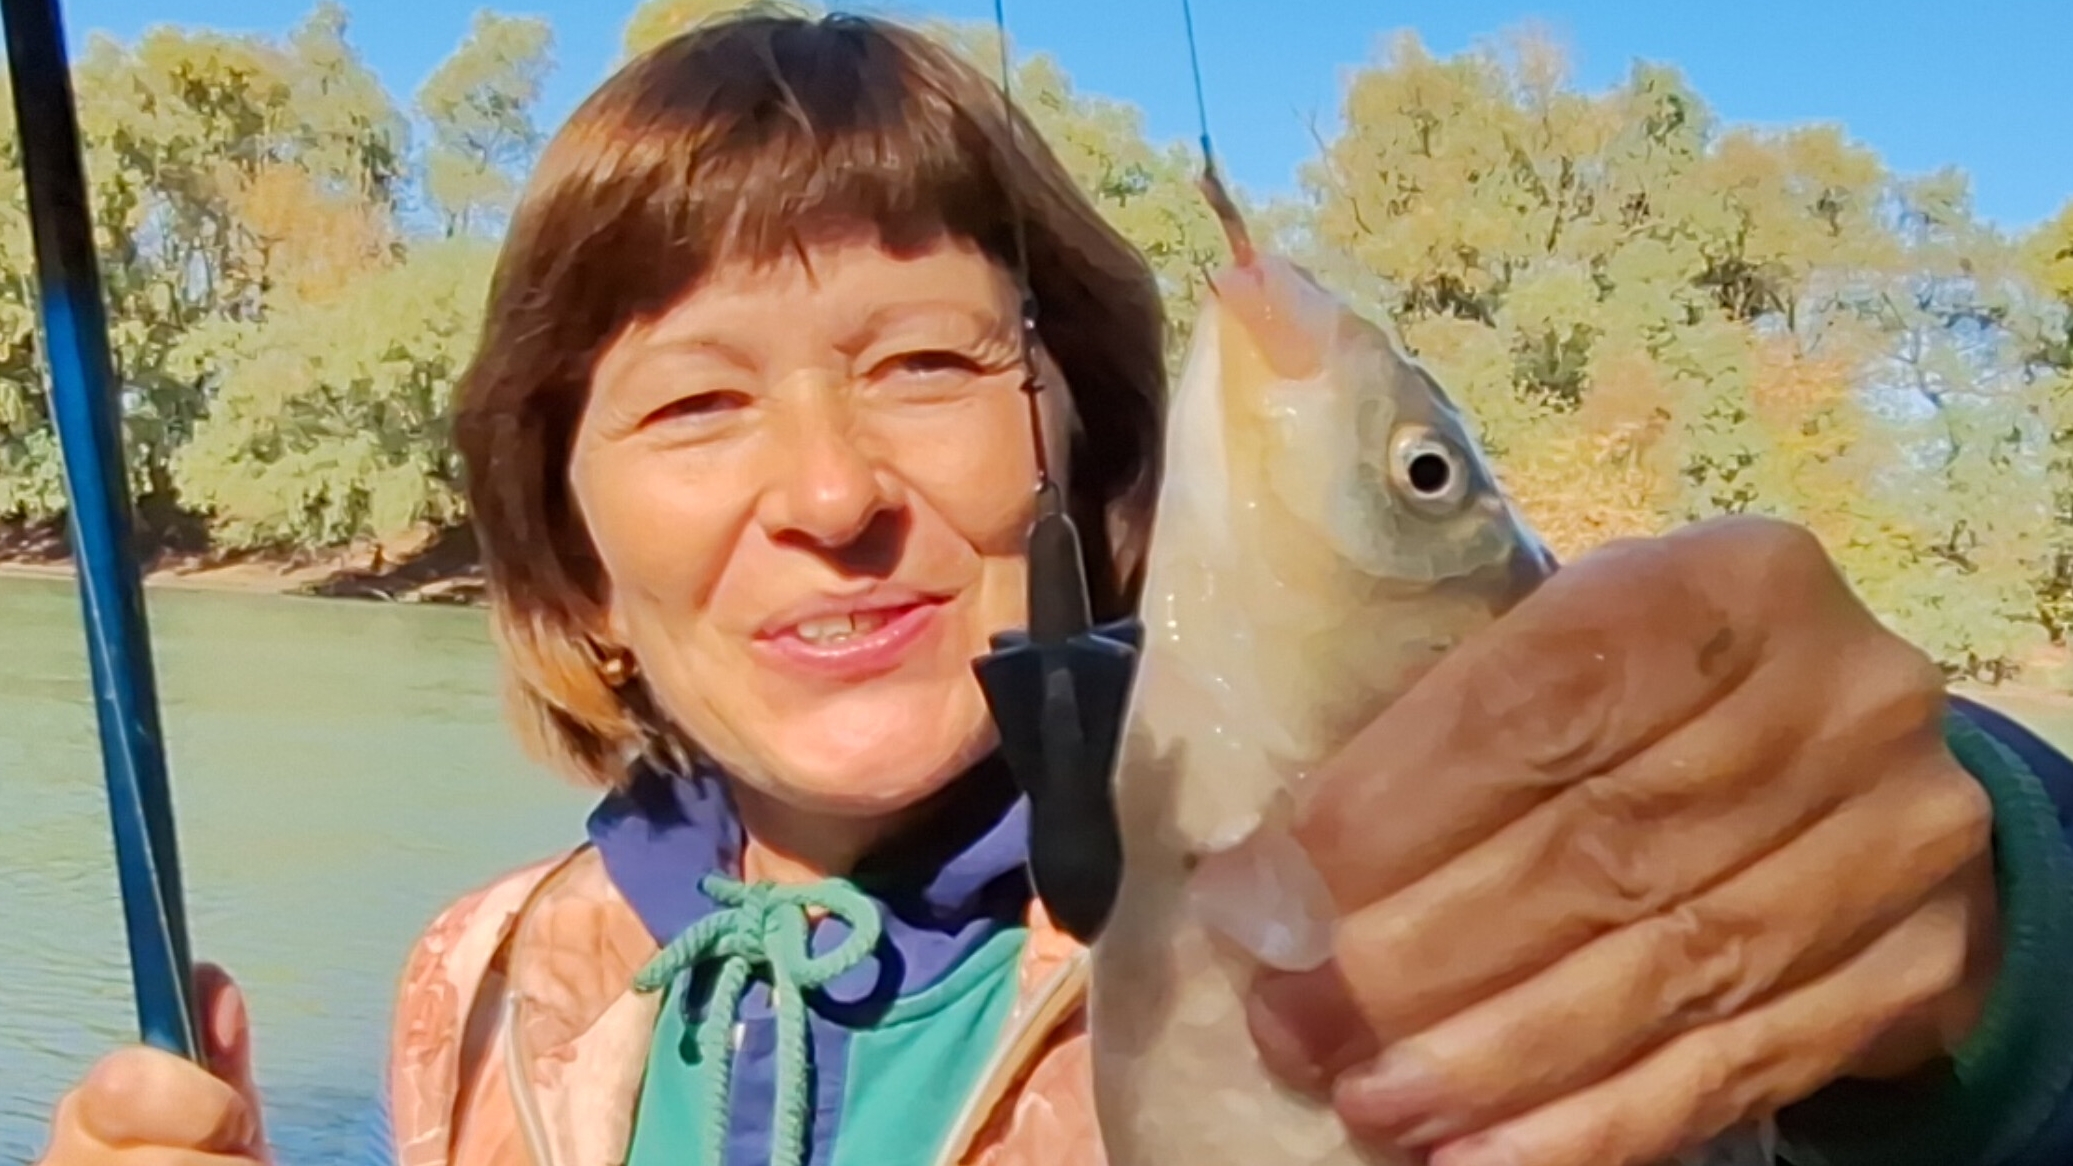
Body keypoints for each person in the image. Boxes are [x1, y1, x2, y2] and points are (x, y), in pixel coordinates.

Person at [31, 12, 2073, 1166]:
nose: (830, 492)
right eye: (694, 403)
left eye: (929, 362)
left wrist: (1971, 938)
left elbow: (1819, 982)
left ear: (1099, 468)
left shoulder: (1411, 893)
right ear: (570, 557)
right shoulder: (476, 979)